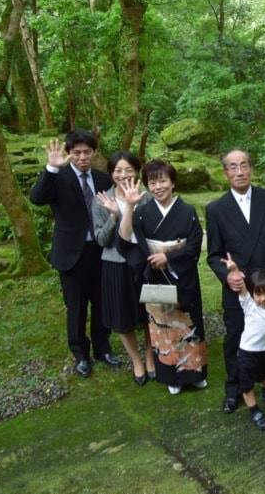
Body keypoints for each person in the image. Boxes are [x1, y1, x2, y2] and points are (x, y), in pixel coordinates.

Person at [206, 149, 265, 414]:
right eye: (233, 167)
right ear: (225, 173)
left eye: (244, 165)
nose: (239, 172)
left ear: (251, 169)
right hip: (239, 288)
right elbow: (213, 255)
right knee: (235, 338)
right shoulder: (216, 209)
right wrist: (228, 275)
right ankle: (234, 390)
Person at [30, 129, 119, 377]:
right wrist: (51, 168)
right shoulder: (58, 178)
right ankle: (80, 354)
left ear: (94, 153)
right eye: (77, 152)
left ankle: (103, 348)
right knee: (76, 307)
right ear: (69, 153)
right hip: (71, 254)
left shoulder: (102, 180)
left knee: (102, 303)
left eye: (87, 152)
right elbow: (37, 199)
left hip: (100, 250)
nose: (82, 157)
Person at [118, 160, 207, 395]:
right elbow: (126, 241)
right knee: (163, 328)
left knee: (190, 323)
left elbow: (195, 245)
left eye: (163, 180)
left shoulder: (187, 211)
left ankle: (195, 372)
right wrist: (129, 206)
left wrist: (169, 258)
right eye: (153, 182)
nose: (158, 186)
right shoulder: (143, 212)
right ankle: (171, 376)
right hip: (155, 276)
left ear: (173, 182)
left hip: (183, 274)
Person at [93, 151, 155, 385]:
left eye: (128, 170)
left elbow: (151, 233)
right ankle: (136, 361)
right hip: (115, 266)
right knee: (121, 316)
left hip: (142, 264)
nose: (123, 175)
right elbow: (101, 240)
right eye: (118, 170)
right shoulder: (101, 199)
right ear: (111, 173)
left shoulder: (147, 198)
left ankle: (150, 356)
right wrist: (112, 216)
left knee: (149, 313)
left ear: (137, 171)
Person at [220, 255, 265, 431]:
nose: (263, 298)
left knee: (264, 371)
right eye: (258, 294)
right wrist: (234, 269)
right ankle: (254, 410)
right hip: (248, 351)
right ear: (252, 293)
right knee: (247, 382)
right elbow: (241, 286)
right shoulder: (249, 304)